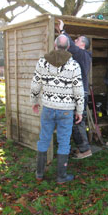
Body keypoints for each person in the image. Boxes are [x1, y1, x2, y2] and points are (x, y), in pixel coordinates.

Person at [30, 34, 84, 184]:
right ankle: (61, 177)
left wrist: (34, 101)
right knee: (64, 142)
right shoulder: (74, 65)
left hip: (48, 108)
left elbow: (35, 84)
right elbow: (78, 90)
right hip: (66, 110)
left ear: (55, 46)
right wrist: (79, 110)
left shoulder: (42, 62)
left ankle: (39, 173)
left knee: (44, 140)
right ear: (67, 47)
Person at [56, 20, 93, 159]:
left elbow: (70, 45)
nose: (75, 41)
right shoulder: (81, 56)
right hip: (78, 94)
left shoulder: (82, 54)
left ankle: (85, 150)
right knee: (76, 123)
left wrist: (62, 30)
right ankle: (82, 148)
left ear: (82, 44)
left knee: (76, 123)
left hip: (79, 94)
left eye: (77, 40)